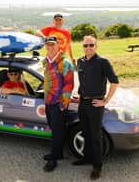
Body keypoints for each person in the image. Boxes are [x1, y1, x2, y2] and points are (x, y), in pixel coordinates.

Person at [73, 35, 119, 180]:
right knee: (85, 132)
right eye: (85, 45)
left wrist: (105, 100)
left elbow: (114, 82)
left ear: (96, 46)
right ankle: (87, 157)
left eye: (91, 45)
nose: (88, 48)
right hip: (83, 103)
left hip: (95, 104)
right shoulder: (80, 61)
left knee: (95, 136)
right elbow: (83, 82)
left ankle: (97, 166)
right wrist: (81, 96)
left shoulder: (103, 62)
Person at [42, 36, 74, 172]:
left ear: (58, 46)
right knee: (54, 129)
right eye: (47, 45)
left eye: (52, 45)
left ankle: (53, 160)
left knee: (57, 132)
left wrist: (63, 103)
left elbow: (69, 84)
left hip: (58, 103)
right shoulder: (46, 61)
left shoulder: (65, 62)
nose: (50, 47)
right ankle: (58, 153)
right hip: (48, 101)